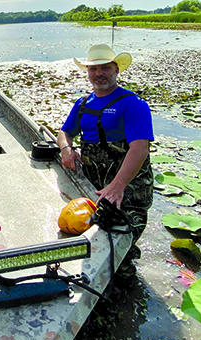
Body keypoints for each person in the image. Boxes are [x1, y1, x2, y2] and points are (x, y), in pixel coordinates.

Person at [57, 43, 154, 280]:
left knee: (123, 245)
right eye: (93, 69)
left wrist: (118, 186)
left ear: (116, 69)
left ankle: (126, 286)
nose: (98, 74)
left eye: (105, 68)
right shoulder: (82, 104)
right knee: (91, 234)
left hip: (129, 187)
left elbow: (140, 148)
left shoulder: (132, 105)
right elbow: (64, 132)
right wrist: (66, 149)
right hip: (94, 185)